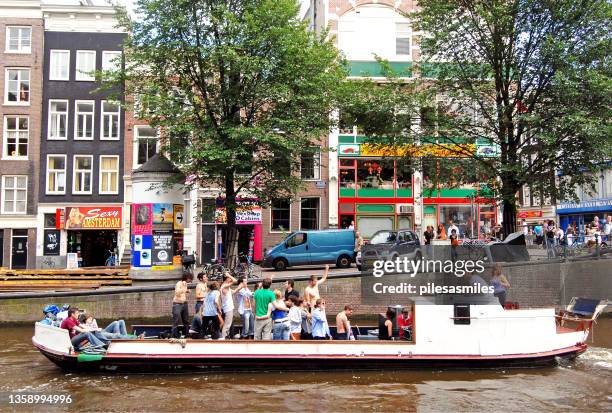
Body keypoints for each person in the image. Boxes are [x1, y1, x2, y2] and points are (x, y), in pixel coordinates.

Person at [171, 272, 192, 338]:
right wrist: (184, 289)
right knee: (176, 320)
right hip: (177, 304)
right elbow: (177, 293)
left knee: (186, 320)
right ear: (186, 278)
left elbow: (182, 292)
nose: (190, 280)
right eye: (190, 279)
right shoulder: (179, 283)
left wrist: (187, 291)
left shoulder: (185, 284)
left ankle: (187, 334)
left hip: (184, 303)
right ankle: (174, 335)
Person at [220, 272, 237, 339]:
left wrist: (239, 287)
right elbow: (235, 281)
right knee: (227, 325)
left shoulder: (226, 286)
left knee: (228, 324)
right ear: (227, 278)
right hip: (228, 308)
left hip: (228, 308)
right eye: (229, 278)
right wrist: (229, 275)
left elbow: (233, 292)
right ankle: (223, 338)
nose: (231, 279)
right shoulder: (225, 286)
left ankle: (226, 337)